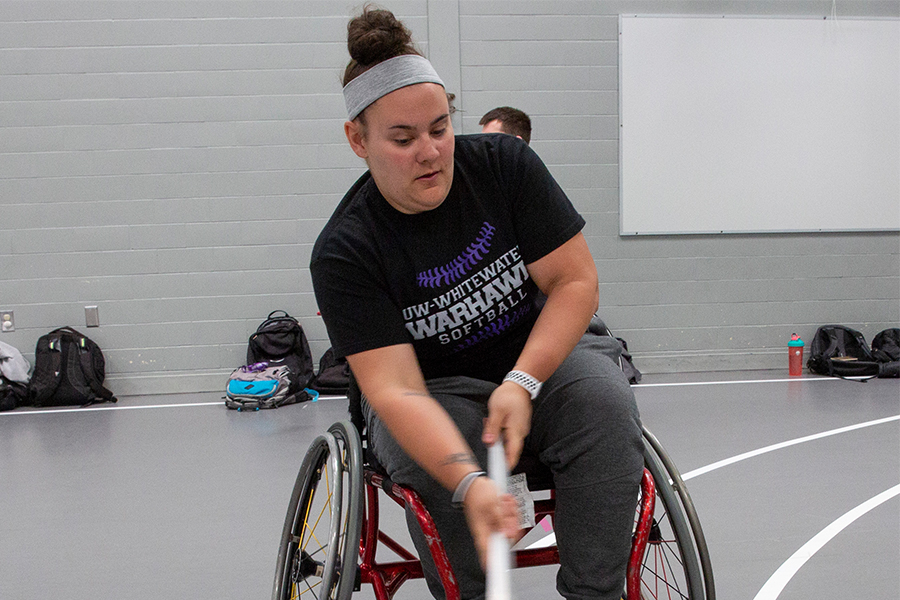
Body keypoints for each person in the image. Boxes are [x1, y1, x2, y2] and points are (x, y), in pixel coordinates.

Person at [310, 7, 643, 600]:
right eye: (404, 139)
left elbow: (574, 284)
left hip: (541, 358)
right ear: (357, 140)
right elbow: (396, 390)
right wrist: (468, 481)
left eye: (440, 128)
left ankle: (598, 593)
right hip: (433, 389)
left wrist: (523, 379)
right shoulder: (346, 251)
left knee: (605, 406)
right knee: (440, 463)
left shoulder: (504, 168)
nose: (431, 152)